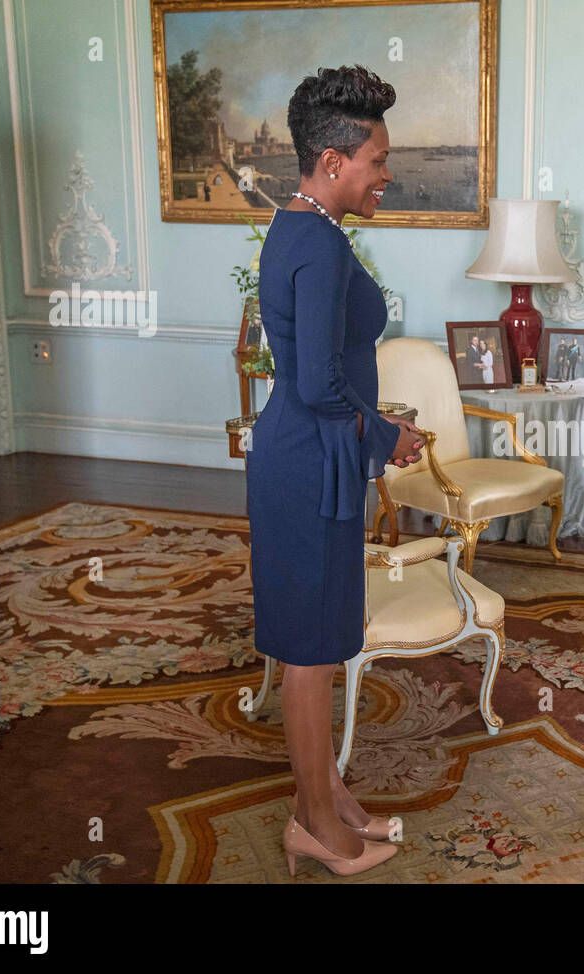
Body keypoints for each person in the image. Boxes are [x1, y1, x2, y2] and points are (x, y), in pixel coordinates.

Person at [246, 65, 425, 877]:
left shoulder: (301, 225)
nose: (387, 174)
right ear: (331, 160)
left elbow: (321, 372)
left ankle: (331, 797)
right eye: (377, 160)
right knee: (311, 651)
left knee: (319, 636)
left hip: (311, 450)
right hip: (307, 458)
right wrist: (385, 436)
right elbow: (317, 384)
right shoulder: (316, 241)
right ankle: (315, 822)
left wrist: (380, 425)